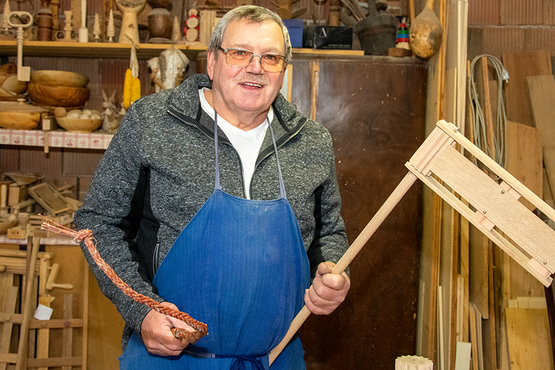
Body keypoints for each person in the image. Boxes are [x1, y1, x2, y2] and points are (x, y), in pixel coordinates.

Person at [73, 5, 350, 369]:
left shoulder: (311, 141)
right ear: (212, 62)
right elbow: (95, 224)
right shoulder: (152, 123)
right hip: (170, 357)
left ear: (284, 69)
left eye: (271, 57)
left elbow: (329, 231)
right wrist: (140, 310)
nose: (256, 67)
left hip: (276, 358)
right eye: (239, 53)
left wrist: (333, 271)